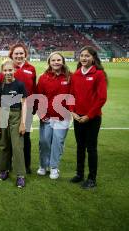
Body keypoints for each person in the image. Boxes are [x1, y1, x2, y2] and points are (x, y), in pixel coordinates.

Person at [69, 46, 107, 189]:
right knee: (80, 147)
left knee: (91, 148)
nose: (84, 58)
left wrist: (89, 115)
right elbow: (71, 95)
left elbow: (102, 98)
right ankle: (79, 174)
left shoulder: (98, 74)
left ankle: (92, 179)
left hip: (92, 118)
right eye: (82, 55)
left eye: (87, 56)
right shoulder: (76, 74)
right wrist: (72, 111)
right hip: (77, 117)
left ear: (93, 58)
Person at [36, 52, 71, 180]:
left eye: (58, 60)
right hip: (47, 117)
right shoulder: (43, 77)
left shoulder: (69, 77)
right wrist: (41, 113)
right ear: (49, 62)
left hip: (63, 118)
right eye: (53, 60)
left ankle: (54, 167)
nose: (56, 62)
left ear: (63, 61)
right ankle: (43, 165)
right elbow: (39, 96)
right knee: (44, 142)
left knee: (57, 142)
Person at [0, 59, 27, 188]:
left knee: (17, 146)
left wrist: (23, 123)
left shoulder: (20, 85)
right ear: (2, 71)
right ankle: (4, 170)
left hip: (16, 115)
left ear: (15, 70)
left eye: (10, 70)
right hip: (3, 115)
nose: (8, 72)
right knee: (3, 144)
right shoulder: (1, 86)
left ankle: (20, 175)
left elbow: (24, 104)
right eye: (5, 70)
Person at [8, 43, 36, 174]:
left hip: (27, 108)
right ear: (11, 55)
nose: (19, 56)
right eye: (16, 53)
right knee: (8, 138)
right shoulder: (7, 69)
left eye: (21, 53)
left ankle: (26, 165)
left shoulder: (31, 68)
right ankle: (7, 165)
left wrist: (34, 106)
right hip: (10, 109)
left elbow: (34, 89)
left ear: (25, 55)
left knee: (26, 137)